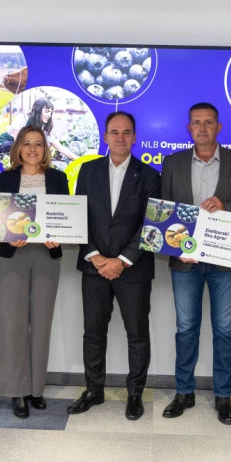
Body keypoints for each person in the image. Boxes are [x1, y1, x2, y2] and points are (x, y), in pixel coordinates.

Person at [160, 102, 231, 425]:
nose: (202, 128)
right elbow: (163, 212)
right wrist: (172, 246)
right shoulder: (173, 163)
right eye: (196, 123)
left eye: (208, 123)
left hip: (224, 262)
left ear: (219, 127)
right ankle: (184, 392)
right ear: (188, 128)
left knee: (225, 331)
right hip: (185, 262)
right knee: (186, 329)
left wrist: (226, 205)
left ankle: (223, 396)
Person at [67, 111, 160, 421]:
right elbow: (79, 217)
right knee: (93, 333)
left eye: (126, 132)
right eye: (114, 132)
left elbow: (150, 225)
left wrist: (121, 261)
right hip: (93, 267)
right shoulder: (88, 170)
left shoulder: (149, 176)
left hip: (134, 269)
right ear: (105, 136)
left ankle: (135, 394)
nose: (120, 137)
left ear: (135, 137)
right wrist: (95, 256)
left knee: (138, 335)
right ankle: (94, 390)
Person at [0, 125, 69, 418]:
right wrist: (8, 236)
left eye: (39, 144)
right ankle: (16, 390)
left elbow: (66, 217)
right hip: (15, 254)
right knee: (12, 323)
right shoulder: (7, 178)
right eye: (27, 143)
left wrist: (58, 236)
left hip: (46, 255)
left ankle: (36, 389)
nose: (33, 149)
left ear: (45, 149)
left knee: (41, 322)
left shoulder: (58, 179)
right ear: (18, 149)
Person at [0, 98, 79, 163]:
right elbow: (17, 142)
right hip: (1, 145)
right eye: (47, 111)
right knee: (10, 145)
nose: (49, 115)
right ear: (38, 110)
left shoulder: (43, 129)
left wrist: (78, 159)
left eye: (50, 112)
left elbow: (60, 148)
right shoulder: (22, 119)